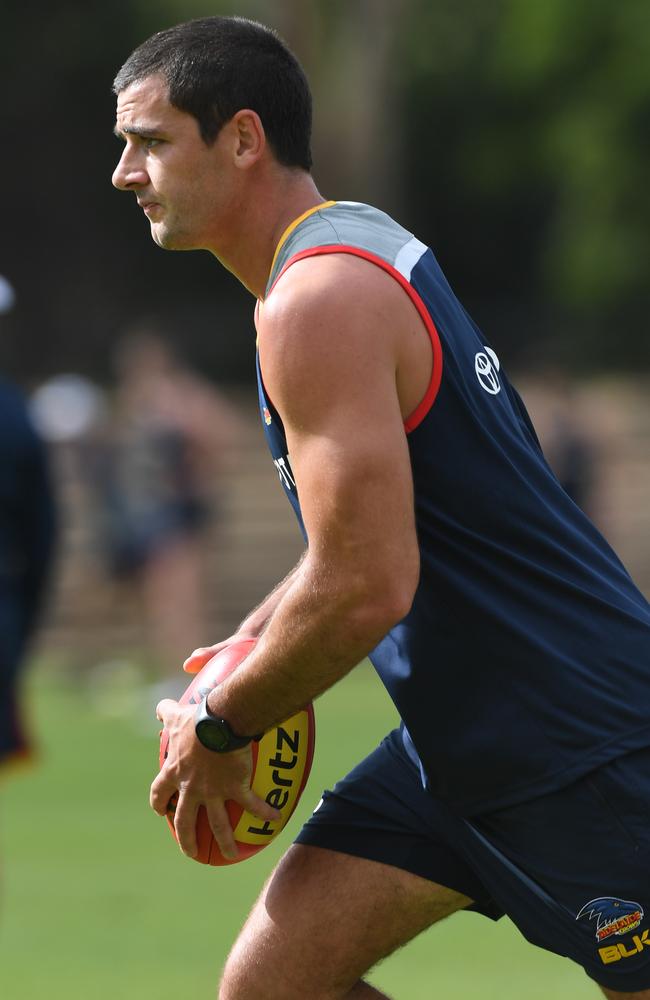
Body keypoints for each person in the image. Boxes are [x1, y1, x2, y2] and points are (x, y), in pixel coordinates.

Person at [111, 17, 650, 999]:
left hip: (579, 746)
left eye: (149, 141)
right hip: (456, 742)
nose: (123, 172)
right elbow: (370, 539)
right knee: (271, 988)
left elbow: (368, 583)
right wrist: (254, 636)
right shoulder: (351, 248)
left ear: (240, 138)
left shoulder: (316, 302)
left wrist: (223, 722)